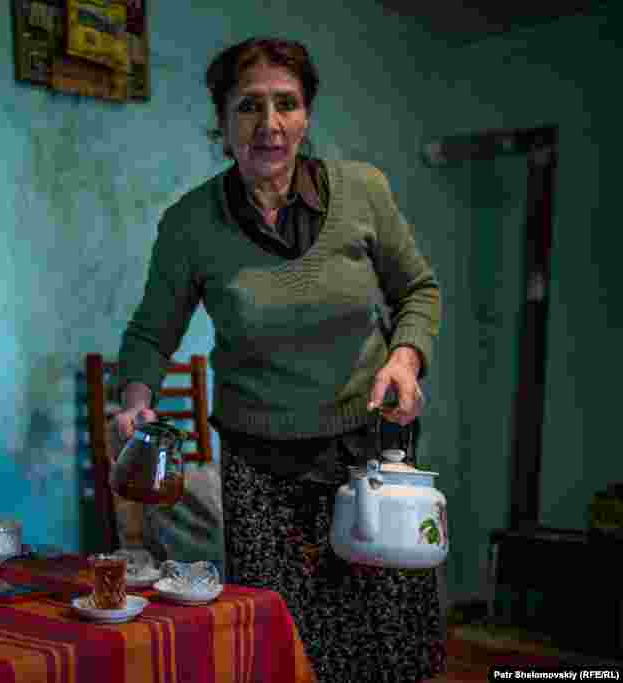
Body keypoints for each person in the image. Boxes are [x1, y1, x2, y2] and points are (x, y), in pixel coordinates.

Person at [112, 37, 444, 682]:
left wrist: (405, 359)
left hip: (371, 443)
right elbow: (153, 331)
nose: (270, 124)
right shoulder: (189, 223)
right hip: (260, 456)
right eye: (249, 106)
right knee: (282, 629)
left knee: (387, 624)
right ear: (222, 120)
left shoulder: (363, 190)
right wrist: (134, 398)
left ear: (307, 114)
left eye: (285, 104)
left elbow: (417, 290)